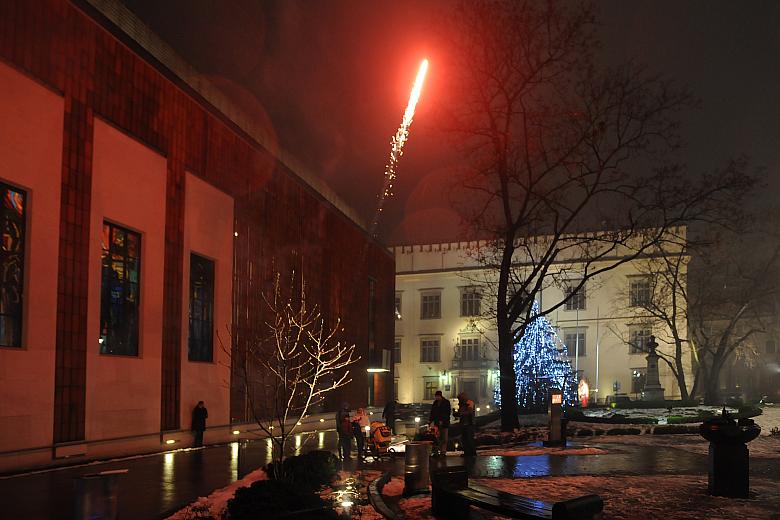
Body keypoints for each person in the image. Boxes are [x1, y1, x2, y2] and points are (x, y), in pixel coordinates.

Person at [428, 391, 451, 456]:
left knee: (444, 438)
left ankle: (443, 452)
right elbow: (432, 413)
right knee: (437, 438)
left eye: (437, 396)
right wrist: (430, 421)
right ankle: (436, 452)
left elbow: (447, 413)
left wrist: (443, 420)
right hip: (437, 423)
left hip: (444, 423)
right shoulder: (435, 403)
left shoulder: (446, 402)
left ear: (440, 396)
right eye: (436, 396)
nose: (436, 398)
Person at [454, 392, 476, 456]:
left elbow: (469, 412)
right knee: (464, 439)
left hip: (469, 423)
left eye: (460, 398)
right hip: (464, 423)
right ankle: (467, 452)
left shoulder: (469, 403)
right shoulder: (462, 404)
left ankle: (472, 452)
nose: (459, 400)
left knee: (469, 438)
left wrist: (460, 413)